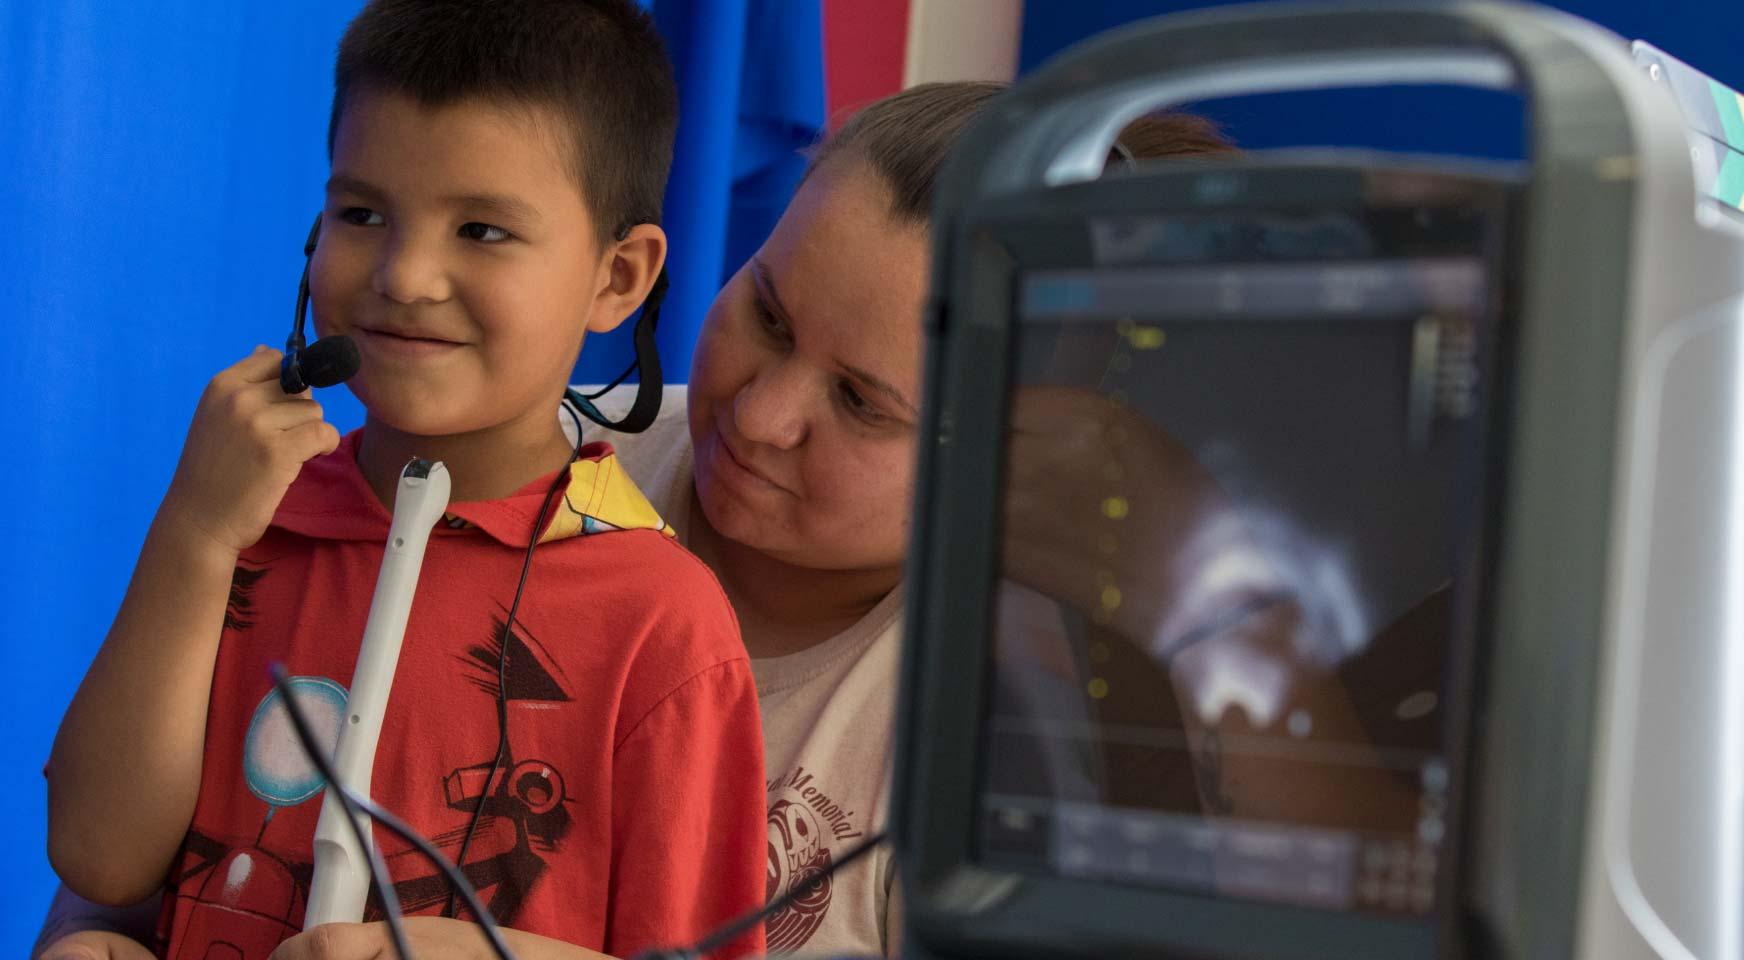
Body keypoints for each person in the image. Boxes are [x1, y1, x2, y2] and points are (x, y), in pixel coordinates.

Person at [38, 83, 1239, 958]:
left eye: (863, 404)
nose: (759, 418)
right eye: (765, 312)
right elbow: (164, 840)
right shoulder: (494, 450)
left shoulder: (1027, 732)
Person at [40, 2, 766, 958]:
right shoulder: (246, 523)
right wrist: (193, 534)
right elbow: (99, 857)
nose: (407, 274)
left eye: (483, 230)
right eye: (363, 213)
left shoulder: (661, 622)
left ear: (618, 277)